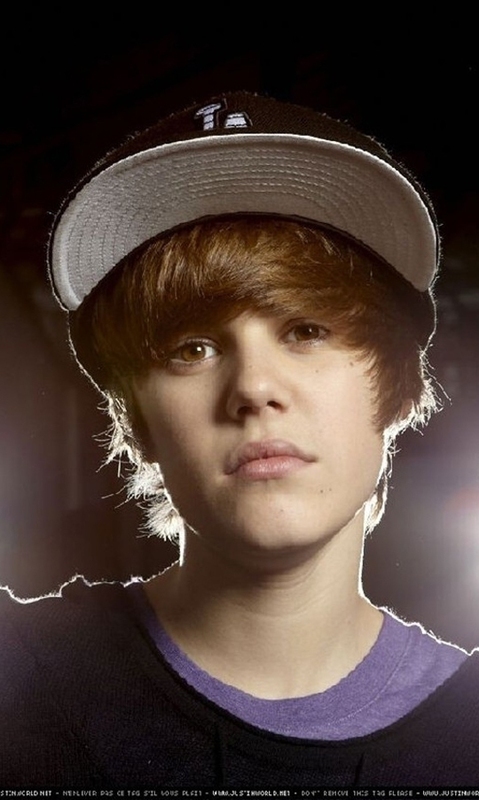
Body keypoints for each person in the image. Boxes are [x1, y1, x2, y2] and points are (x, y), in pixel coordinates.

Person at [1, 91, 478, 788]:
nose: (253, 386)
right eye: (191, 349)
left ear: (399, 387)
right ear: (137, 422)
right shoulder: (15, 677)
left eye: (306, 330)